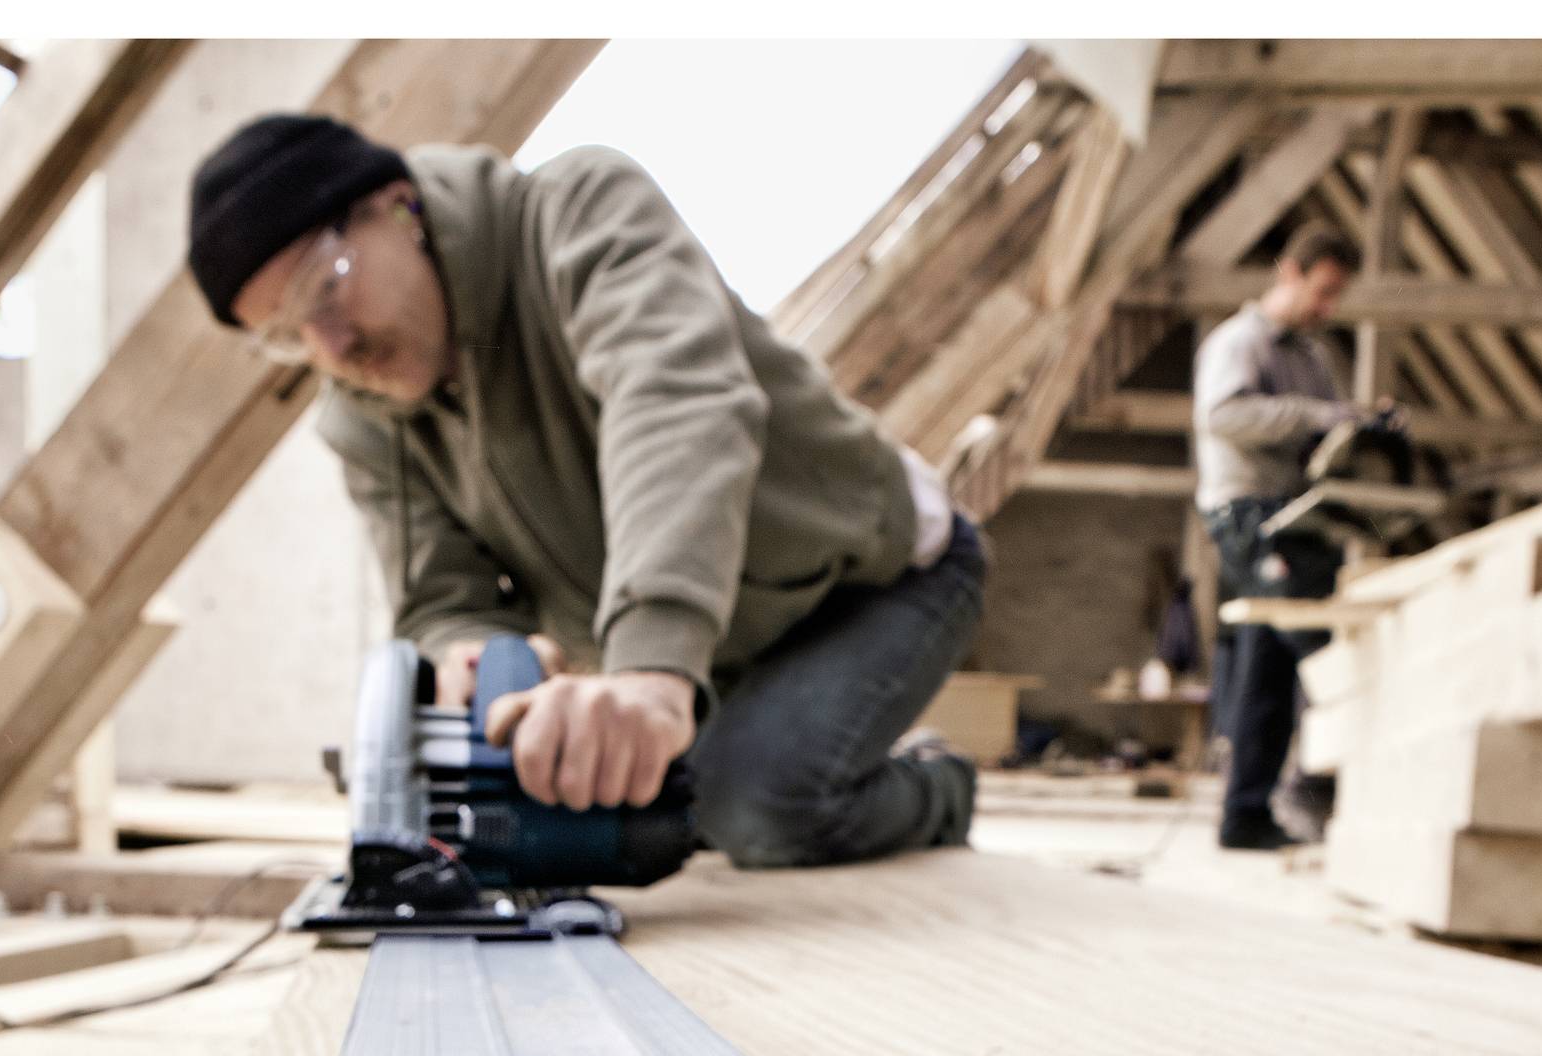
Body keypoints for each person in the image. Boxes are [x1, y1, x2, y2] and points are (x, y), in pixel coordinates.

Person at [184, 113, 984, 868]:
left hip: (873, 580)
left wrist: (651, 668)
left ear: (399, 209)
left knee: (757, 809)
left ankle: (939, 788)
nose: (331, 345)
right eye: (287, 337)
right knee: (655, 818)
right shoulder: (364, 424)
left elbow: (677, 403)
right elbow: (438, 600)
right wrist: (476, 654)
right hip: (707, 644)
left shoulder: (580, 212)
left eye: (326, 289)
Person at [1191, 222, 1382, 849]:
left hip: (1300, 517)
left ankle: (1245, 816)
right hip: (1251, 516)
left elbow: (1322, 438)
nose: (1327, 308)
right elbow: (1223, 416)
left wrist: (1360, 427)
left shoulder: (1312, 358)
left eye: (1337, 297)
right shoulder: (1240, 343)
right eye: (1321, 291)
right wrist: (1318, 414)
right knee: (1322, 654)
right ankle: (1325, 787)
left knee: (1266, 673)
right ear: (1289, 272)